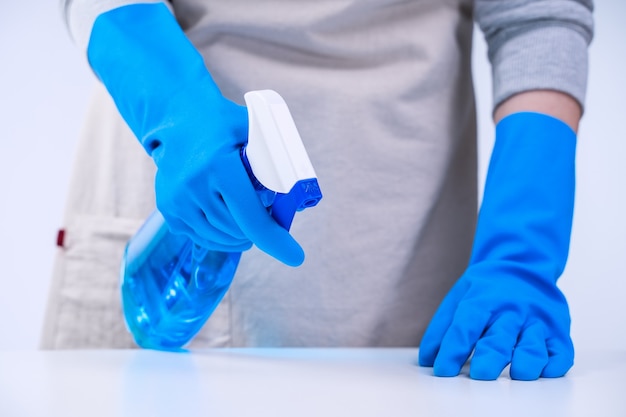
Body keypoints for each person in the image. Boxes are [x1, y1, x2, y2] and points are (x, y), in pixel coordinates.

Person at [41, 0, 594, 381]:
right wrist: (172, 107)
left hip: (396, 240)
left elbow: (537, 16)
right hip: (168, 196)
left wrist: (521, 253)